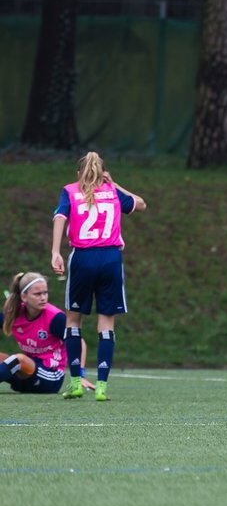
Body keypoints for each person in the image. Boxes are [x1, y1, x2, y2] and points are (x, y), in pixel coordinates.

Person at [51, 153, 146, 402]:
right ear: (104, 173)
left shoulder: (70, 190)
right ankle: (102, 386)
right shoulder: (113, 192)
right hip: (110, 260)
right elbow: (141, 203)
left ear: (78, 174)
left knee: (73, 320)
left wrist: (55, 252)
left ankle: (75, 383)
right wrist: (113, 183)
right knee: (107, 323)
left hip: (83, 258)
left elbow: (60, 217)